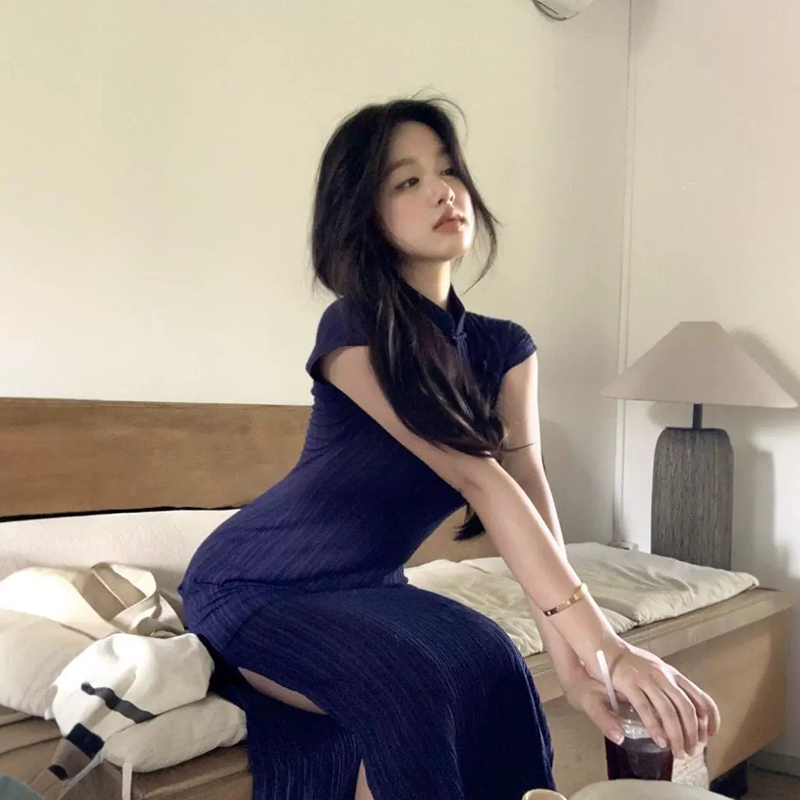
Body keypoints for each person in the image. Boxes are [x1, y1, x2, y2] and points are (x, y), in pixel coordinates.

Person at [178, 97, 720, 800]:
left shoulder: (505, 348)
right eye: (407, 181)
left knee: (495, 663)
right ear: (365, 215)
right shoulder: (354, 331)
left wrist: (574, 665)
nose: (443, 191)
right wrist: (607, 647)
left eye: (448, 170)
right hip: (254, 584)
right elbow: (480, 479)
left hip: (371, 587)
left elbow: (525, 493)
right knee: (412, 683)